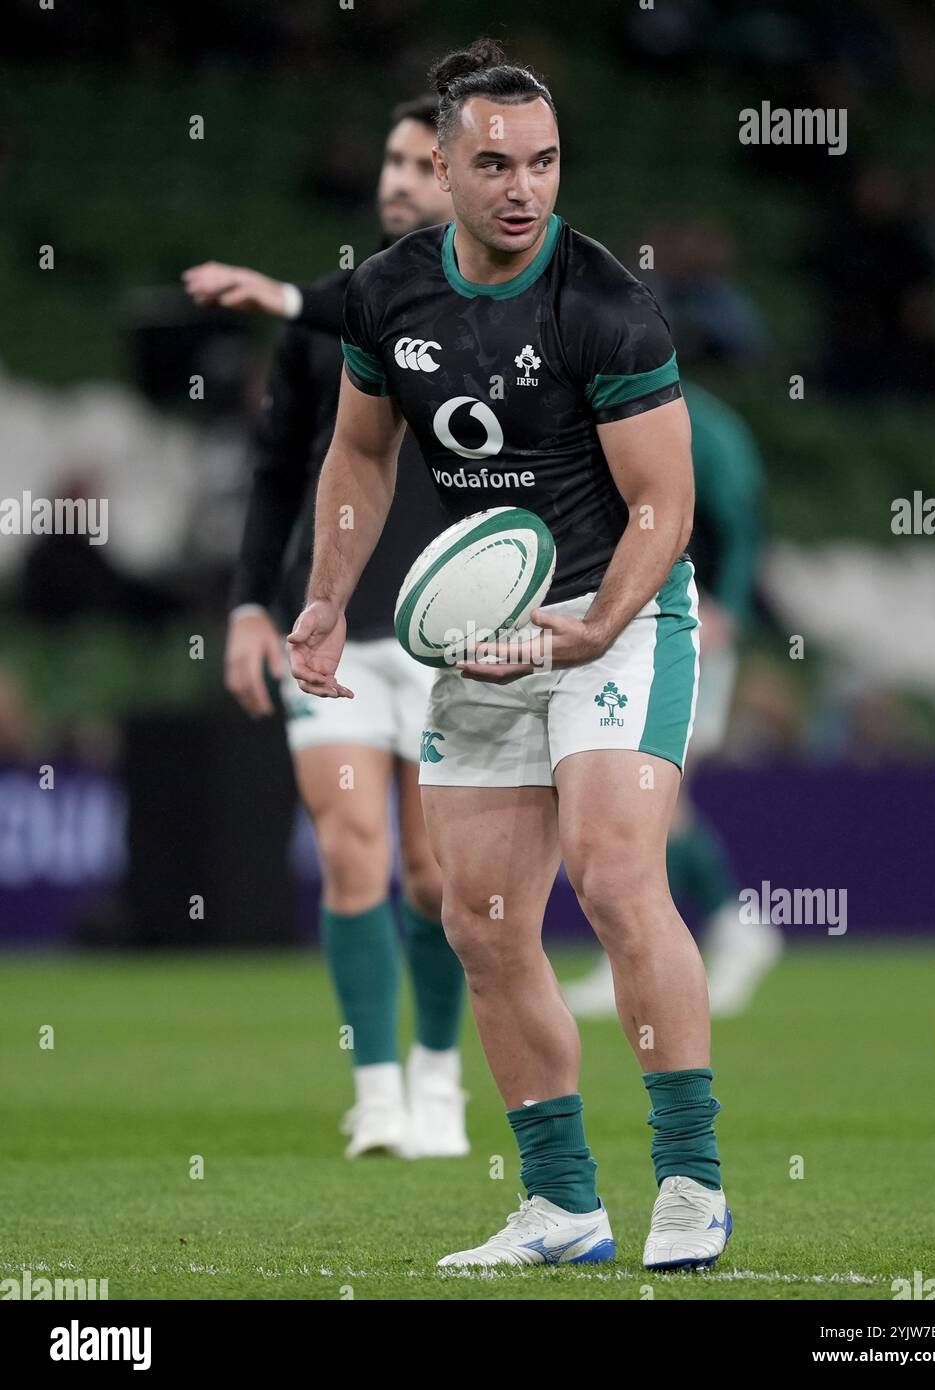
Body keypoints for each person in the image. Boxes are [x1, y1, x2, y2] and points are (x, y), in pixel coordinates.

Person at [288, 39, 732, 1271]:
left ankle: (691, 1181)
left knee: (612, 875)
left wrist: (594, 624)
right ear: (441, 163)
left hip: (618, 616)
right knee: (481, 920)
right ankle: (561, 1204)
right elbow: (361, 457)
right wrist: (325, 599)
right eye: (492, 163)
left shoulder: (602, 302)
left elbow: (664, 508)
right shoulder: (385, 294)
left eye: (541, 161)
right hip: (481, 637)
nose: (523, 186)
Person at [183, 97, 469, 1161]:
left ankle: (441, 1078)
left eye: (418, 162)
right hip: (333, 630)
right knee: (355, 855)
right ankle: (379, 1090)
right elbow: (275, 473)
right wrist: (251, 603)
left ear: (459, 176)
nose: (396, 176)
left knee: (437, 878)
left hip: (448, 639)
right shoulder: (328, 325)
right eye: (389, 157)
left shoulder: (501, 312)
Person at [565, 379, 783, 1019]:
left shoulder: (703, 428)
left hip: (682, 620)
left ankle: (722, 926)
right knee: (637, 797)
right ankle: (721, 929)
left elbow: (741, 521)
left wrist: (731, 611)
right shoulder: (598, 414)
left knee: (645, 791)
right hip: (624, 618)